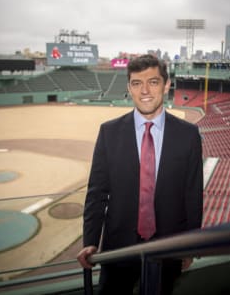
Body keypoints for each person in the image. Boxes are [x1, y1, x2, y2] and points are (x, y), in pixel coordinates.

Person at [77, 54, 204, 294]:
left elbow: (193, 196)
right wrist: (91, 241)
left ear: (166, 85)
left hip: (169, 247)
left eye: (153, 82)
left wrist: (190, 245)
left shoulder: (188, 135)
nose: (145, 90)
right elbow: (97, 194)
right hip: (118, 250)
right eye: (137, 83)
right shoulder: (109, 132)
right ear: (129, 88)